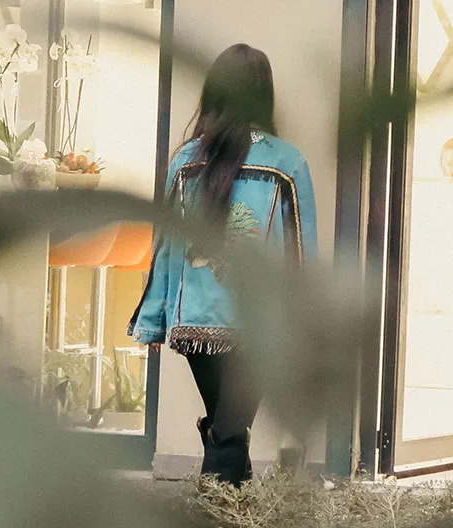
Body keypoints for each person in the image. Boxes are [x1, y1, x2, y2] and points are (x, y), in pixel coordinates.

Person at [128, 44, 318, 485]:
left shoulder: (186, 160)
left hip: (194, 321)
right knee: (230, 431)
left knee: (225, 427)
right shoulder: (287, 161)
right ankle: (218, 508)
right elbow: (300, 248)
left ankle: (233, 502)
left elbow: (166, 247)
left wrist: (155, 319)